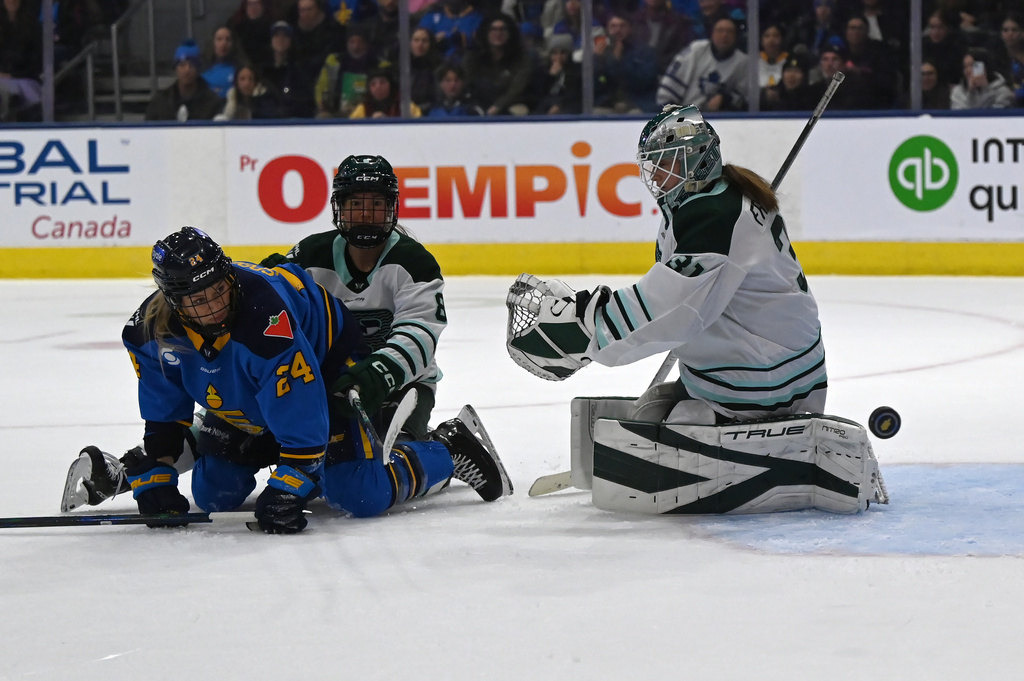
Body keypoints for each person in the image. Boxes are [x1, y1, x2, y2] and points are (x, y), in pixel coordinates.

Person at [62, 158, 513, 521]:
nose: (365, 216)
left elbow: (419, 336)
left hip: (385, 386)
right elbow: (260, 296)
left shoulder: (413, 262)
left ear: (394, 207)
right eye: (355, 205)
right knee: (214, 491)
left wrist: (371, 378)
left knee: (356, 490)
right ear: (338, 207)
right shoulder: (308, 254)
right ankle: (142, 467)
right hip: (312, 376)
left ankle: (448, 447)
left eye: (375, 205)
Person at [504, 105, 885, 515]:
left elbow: (670, 308)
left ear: (698, 159)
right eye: (655, 166)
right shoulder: (703, 202)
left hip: (768, 377)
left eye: (668, 163)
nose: (658, 176)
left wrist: (588, 329)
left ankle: (764, 456)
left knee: (680, 420)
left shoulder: (715, 214)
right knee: (653, 408)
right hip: (758, 362)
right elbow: (683, 301)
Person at [656, 16, 749, 111]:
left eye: (730, 31)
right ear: (712, 34)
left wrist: (725, 97)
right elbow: (667, 93)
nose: (724, 35)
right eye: (720, 31)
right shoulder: (695, 51)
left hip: (719, 119)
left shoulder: (742, 61)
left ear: (736, 36)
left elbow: (744, 97)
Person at [463, 13, 533, 115]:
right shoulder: (472, 58)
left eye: (503, 29)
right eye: (493, 29)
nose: (498, 33)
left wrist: (499, 105)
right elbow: (469, 84)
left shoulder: (522, 58)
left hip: (512, 104)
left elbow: (517, 88)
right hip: (479, 105)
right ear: (486, 32)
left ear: (510, 33)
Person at [144, 39, 224, 121]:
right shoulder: (160, 102)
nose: (187, 70)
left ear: (198, 69)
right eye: (182, 65)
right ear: (176, 68)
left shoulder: (212, 103)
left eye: (192, 65)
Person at [263, 19, 317, 118]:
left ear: (290, 40)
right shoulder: (263, 70)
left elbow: (304, 99)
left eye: (285, 36)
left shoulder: (299, 70)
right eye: (277, 35)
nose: (280, 39)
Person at [951, 47, 1015, 109]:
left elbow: (994, 116)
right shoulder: (958, 92)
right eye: (965, 67)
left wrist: (986, 90)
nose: (968, 71)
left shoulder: (1002, 92)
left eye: (972, 65)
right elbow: (961, 116)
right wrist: (971, 93)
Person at [215, 63, 285, 119]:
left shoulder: (267, 100)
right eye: (242, 79)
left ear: (255, 82)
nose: (246, 83)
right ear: (236, 82)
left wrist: (255, 100)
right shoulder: (228, 100)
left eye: (250, 79)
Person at [349, 66, 422, 118]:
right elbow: (351, 128)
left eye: (382, 82)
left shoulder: (406, 106)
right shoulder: (363, 108)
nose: (378, 87)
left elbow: (418, 125)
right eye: (373, 84)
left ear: (391, 85)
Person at [201, 25, 247, 98]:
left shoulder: (241, 69)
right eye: (219, 39)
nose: (223, 43)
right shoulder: (202, 68)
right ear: (213, 42)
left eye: (228, 39)